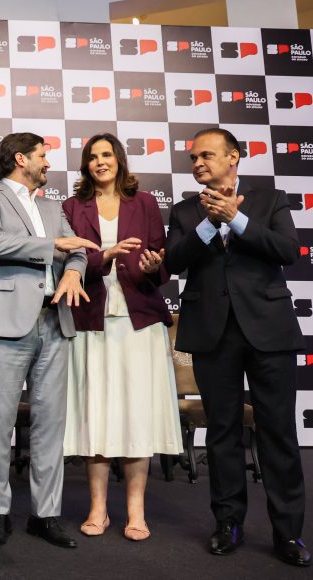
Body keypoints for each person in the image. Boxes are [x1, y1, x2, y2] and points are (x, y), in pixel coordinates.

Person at [165, 128, 309, 566]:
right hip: (212, 333)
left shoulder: (270, 199)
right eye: (193, 158)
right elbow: (174, 262)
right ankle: (227, 523)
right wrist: (212, 222)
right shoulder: (185, 210)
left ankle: (288, 533)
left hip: (269, 331)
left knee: (278, 432)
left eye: (206, 155)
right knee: (222, 432)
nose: (198, 163)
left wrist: (237, 218)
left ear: (233, 157)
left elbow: (288, 251)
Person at [0, 132, 97, 550]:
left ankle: (46, 514)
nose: (48, 162)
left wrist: (73, 270)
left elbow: (78, 250)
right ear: (20, 158)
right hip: (5, 325)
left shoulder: (52, 206)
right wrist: (54, 245)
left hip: (55, 321)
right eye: (42, 155)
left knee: (50, 425)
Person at [60, 133, 182, 541]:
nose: (100, 162)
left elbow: (161, 265)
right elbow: (68, 263)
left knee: (136, 415)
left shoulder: (144, 203)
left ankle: (135, 511)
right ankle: (98, 509)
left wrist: (152, 266)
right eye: (93, 157)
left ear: (119, 160)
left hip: (138, 322)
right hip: (91, 320)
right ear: (85, 165)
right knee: (95, 415)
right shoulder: (71, 206)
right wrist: (105, 257)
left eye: (107, 155)